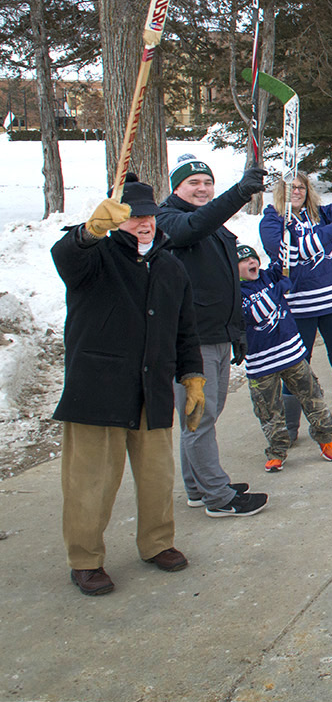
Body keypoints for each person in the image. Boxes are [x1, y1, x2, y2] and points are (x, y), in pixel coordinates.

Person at [52, 175, 202, 595]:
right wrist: (88, 231)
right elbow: (65, 256)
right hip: (97, 390)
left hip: (150, 391)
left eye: (149, 217)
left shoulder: (170, 265)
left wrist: (192, 376)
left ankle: (157, 543)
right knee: (90, 482)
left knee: (157, 477)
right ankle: (85, 560)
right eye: (134, 217)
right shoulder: (94, 257)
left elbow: (185, 330)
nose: (144, 224)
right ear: (117, 220)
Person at [156, 153, 270, 516]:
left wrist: (234, 330)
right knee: (198, 419)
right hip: (192, 341)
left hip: (218, 335)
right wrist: (238, 194)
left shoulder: (210, 222)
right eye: (194, 183)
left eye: (207, 183)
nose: (203, 188)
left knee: (208, 414)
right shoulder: (167, 219)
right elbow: (193, 227)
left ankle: (197, 487)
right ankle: (218, 497)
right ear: (176, 187)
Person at [259, 171, 332, 443]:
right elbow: (293, 251)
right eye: (290, 188)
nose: (296, 192)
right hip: (299, 306)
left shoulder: (318, 214)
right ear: (280, 192)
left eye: (301, 187)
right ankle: (290, 425)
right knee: (297, 365)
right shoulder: (272, 221)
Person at [237, 244, 332, 472]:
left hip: (291, 354)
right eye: (244, 262)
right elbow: (251, 315)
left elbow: (286, 260)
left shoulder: (269, 277)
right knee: (268, 411)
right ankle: (277, 451)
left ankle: (325, 438)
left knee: (313, 397)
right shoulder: (234, 293)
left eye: (253, 258)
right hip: (261, 364)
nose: (251, 262)